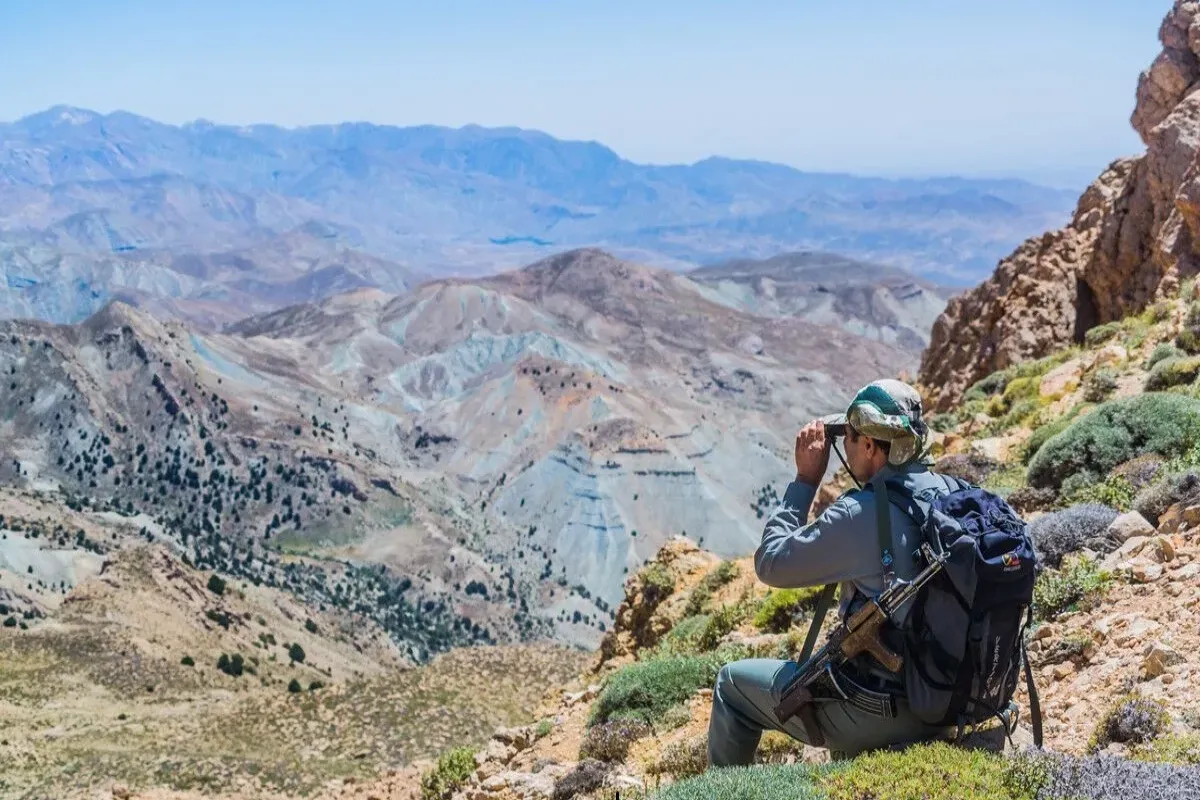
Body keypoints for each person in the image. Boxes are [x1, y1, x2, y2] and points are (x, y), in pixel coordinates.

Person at [707, 378, 956, 766]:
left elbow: (771, 562)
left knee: (730, 686)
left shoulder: (862, 513)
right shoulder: (950, 493)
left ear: (871, 445)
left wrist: (805, 481)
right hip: (954, 698)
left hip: (886, 708)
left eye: (848, 436)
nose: (843, 445)